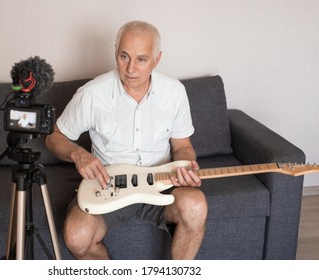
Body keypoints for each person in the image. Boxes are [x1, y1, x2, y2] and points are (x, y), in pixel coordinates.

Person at [46, 21, 207, 260]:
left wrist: (185, 166)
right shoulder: (92, 94)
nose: (130, 68)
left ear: (157, 59)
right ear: (115, 52)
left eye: (141, 59)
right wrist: (78, 154)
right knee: (76, 236)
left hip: (161, 183)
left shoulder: (174, 92)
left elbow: (183, 147)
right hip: (108, 186)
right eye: (124, 56)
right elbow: (54, 137)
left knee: (196, 206)